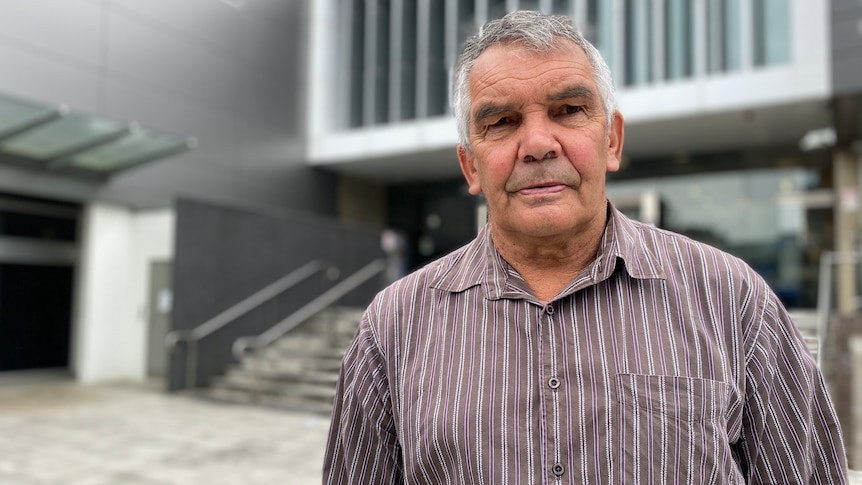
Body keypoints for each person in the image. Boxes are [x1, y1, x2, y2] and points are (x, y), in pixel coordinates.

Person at [323, 10, 848, 484]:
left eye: (569, 109)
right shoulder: (393, 327)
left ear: (612, 140)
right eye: (501, 122)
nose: (537, 144)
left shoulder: (733, 301)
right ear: (470, 166)